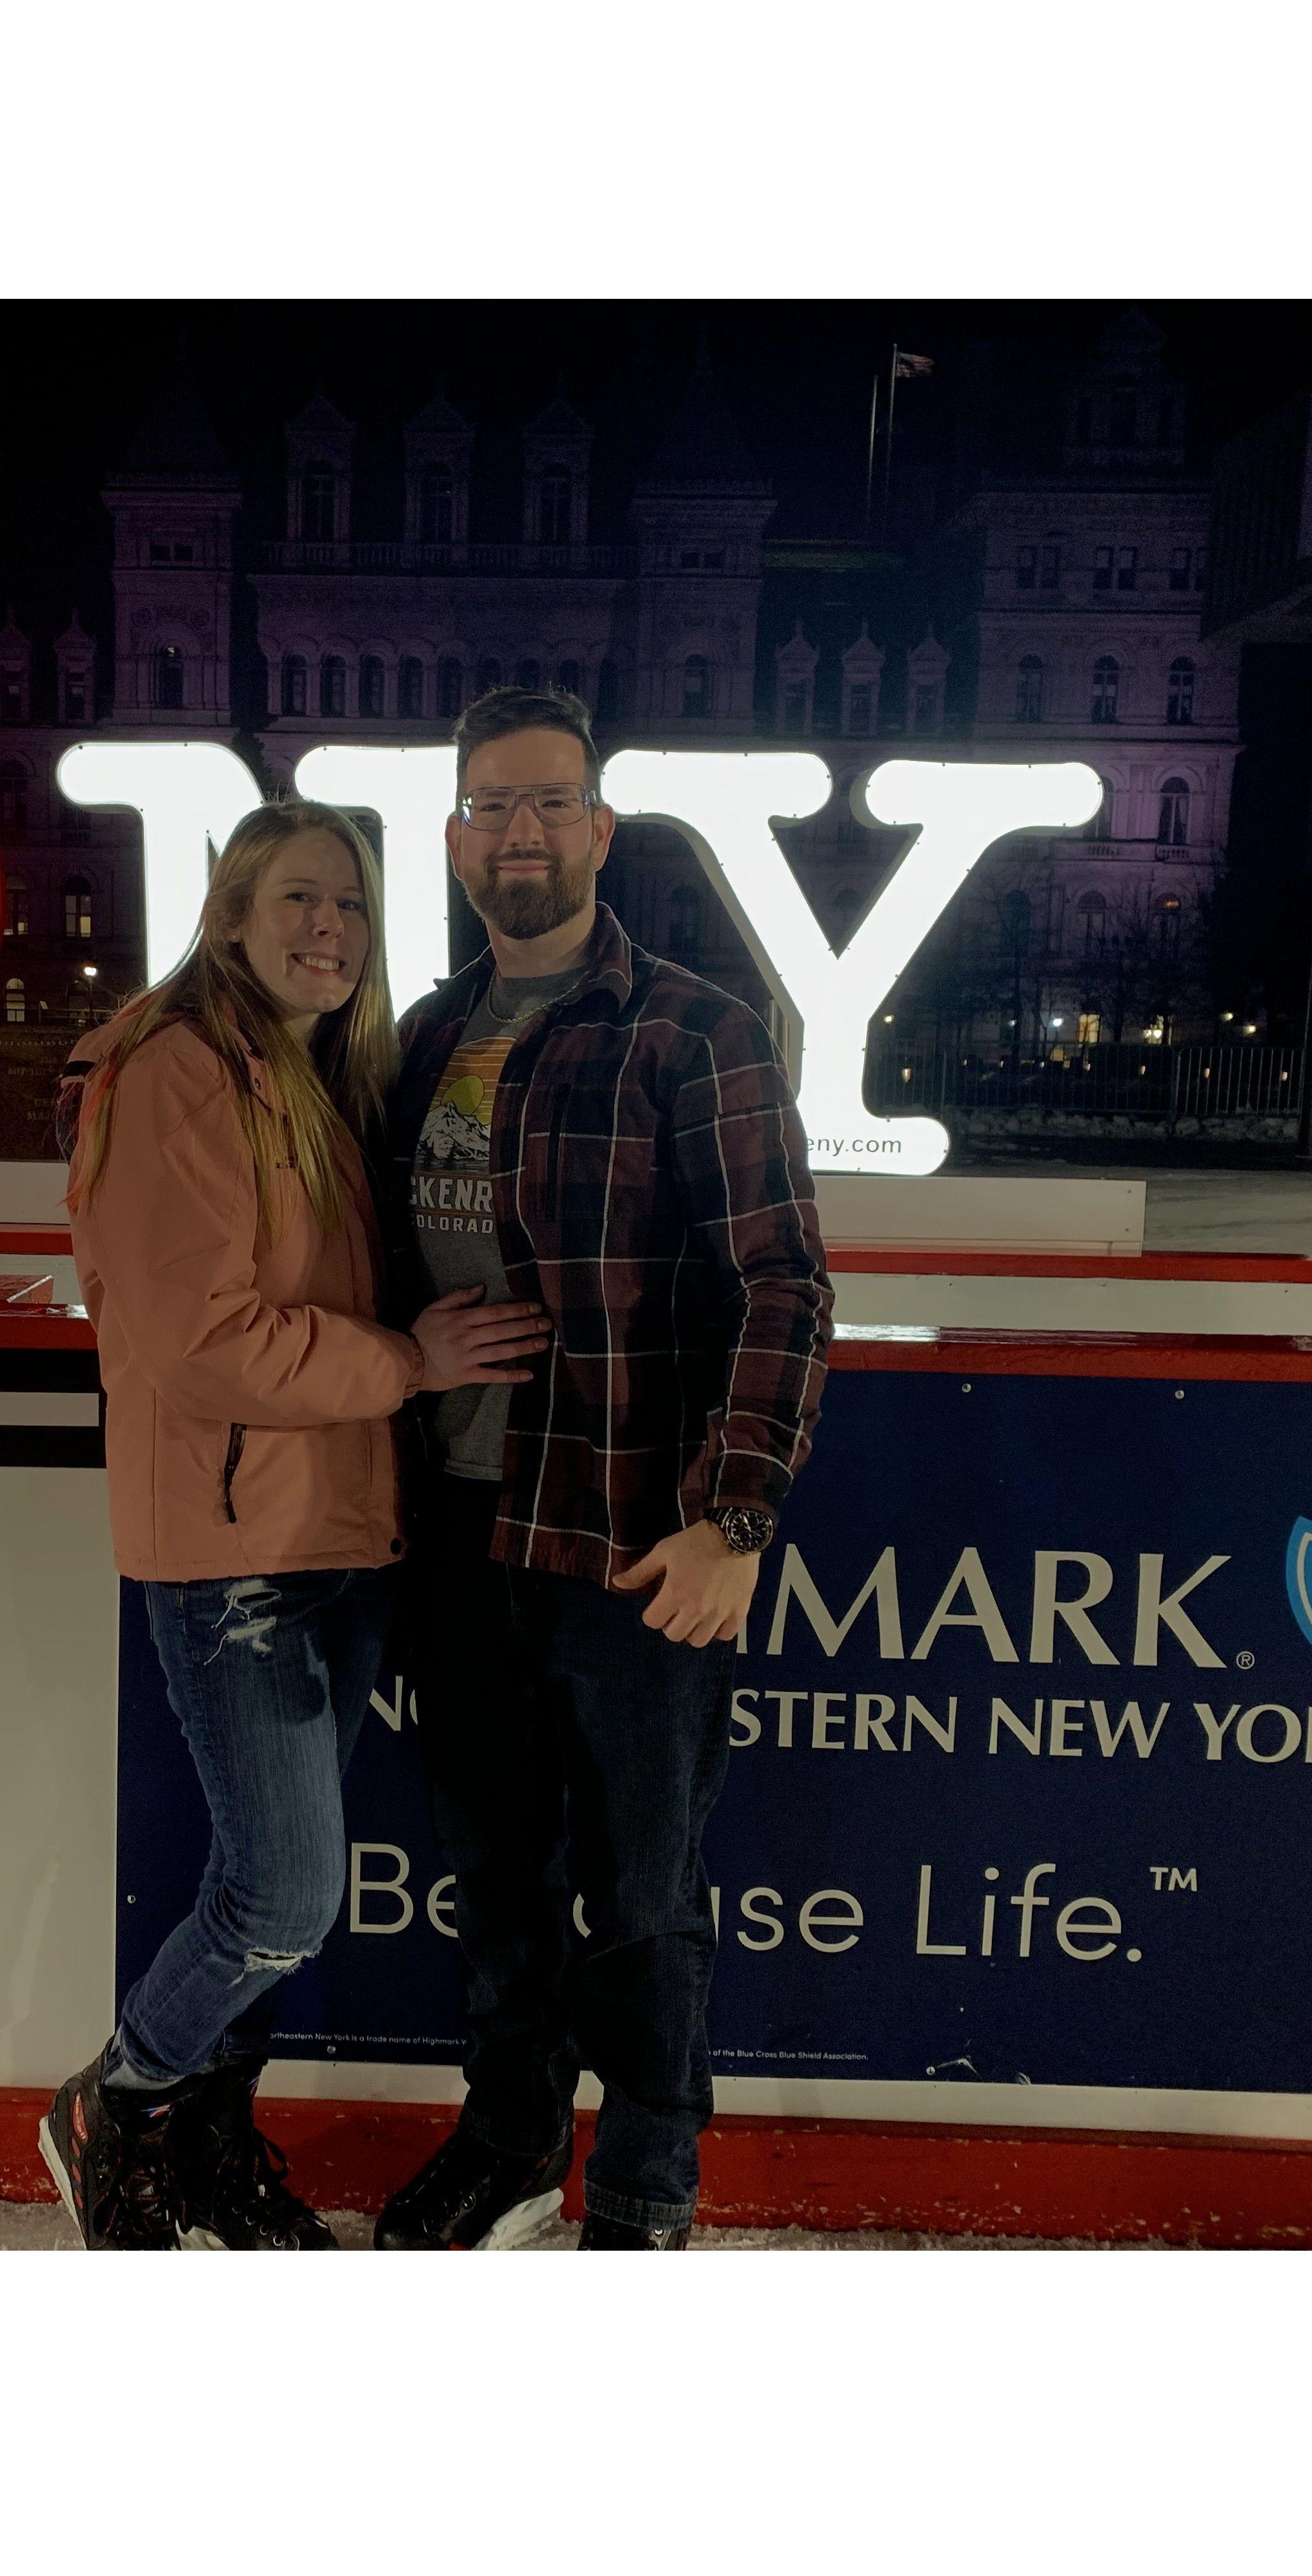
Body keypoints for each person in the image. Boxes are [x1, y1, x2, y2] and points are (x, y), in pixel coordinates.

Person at [48, 798, 552, 2249]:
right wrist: (412, 1363)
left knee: (258, 1885)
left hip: (339, 1536)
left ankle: (200, 2151)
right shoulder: (173, 1070)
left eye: (353, 911)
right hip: (240, 1552)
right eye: (300, 903)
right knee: (280, 1901)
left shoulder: (311, 1071)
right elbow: (202, 1339)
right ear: (231, 914)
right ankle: (118, 2103)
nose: (329, 931)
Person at [374, 687, 833, 2251]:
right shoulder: (423, 1039)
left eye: (550, 803)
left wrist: (736, 1515)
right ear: (453, 836)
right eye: (493, 805)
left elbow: (784, 1284)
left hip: (634, 1550)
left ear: (601, 831)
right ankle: (508, 2142)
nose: (520, 831)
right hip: (455, 1539)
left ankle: (642, 2184)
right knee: (493, 1882)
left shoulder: (696, 1031)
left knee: (643, 1901)